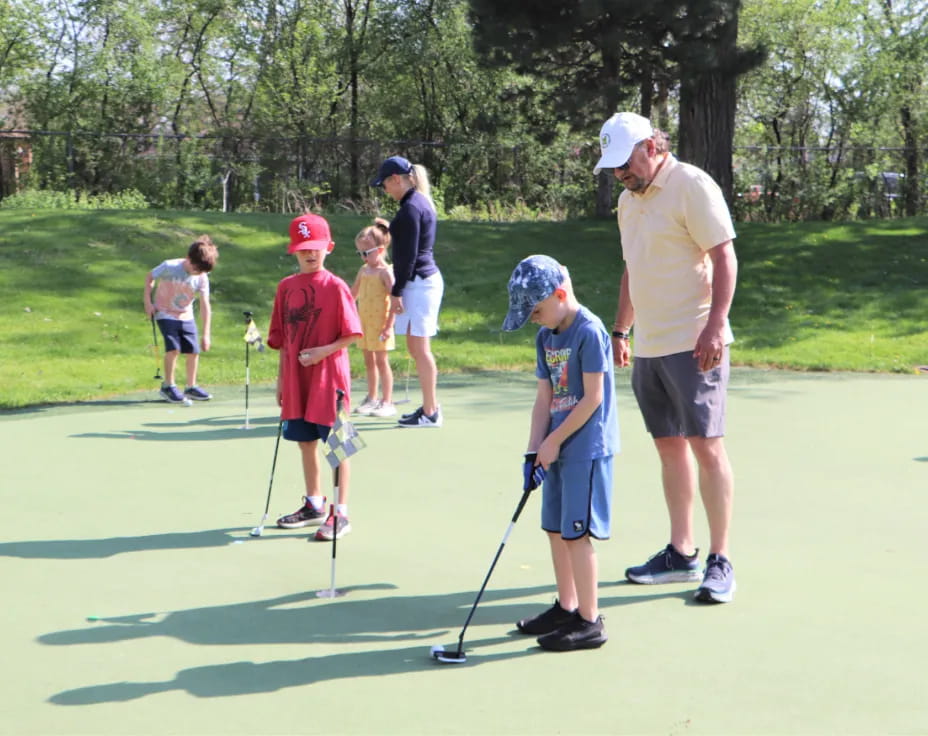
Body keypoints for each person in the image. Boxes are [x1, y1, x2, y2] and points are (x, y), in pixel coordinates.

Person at [594, 111, 738, 603]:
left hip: (694, 339)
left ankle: (720, 559)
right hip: (651, 346)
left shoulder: (691, 185)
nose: (620, 174)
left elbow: (724, 256)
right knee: (669, 446)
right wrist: (621, 328)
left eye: (625, 163)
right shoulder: (627, 202)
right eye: (613, 167)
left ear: (652, 146)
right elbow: (632, 268)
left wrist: (716, 326)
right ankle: (682, 552)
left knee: (706, 445)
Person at [502, 255, 619, 651]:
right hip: (554, 448)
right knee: (553, 528)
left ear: (559, 294)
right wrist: (534, 449)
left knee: (575, 533)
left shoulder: (589, 331)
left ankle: (589, 620)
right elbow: (543, 398)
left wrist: (553, 442)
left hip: (585, 448)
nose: (533, 318)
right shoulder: (545, 337)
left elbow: (592, 398)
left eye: (536, 309)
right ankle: (566, 606)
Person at [269, 213, 363, 541]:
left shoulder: (336, 287)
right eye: (303, 249)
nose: (310, 254)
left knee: (337, 446)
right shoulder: (285, 288)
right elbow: (281, 340)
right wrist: (283, 380)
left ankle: (341, 514)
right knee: (305, 442)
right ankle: (314, 504)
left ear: (329, 248)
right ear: (293, 251)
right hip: (297, 381)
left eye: (316, 248)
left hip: (329, 380)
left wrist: (322, 352)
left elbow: (353, 334)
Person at [369, 155, 444, 428]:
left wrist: (396, 292)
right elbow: (408, 241)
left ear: (396, 179)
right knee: (416, 347)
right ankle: (429, 407)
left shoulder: (411, 207)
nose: (385, 189)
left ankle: (431, 411)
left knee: (420, 348)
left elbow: (408, 257)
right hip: (419, 281)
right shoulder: (414, 203)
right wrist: (392, 228)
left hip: (420, 282)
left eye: (385, 184)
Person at [143, 236, 218, 403]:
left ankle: (191, 387)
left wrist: (206, 334)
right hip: (165, 312)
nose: (198, 273)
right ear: (189, 258)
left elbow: (205, 304)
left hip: (186, 315)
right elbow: (150, 278)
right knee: (174, 349)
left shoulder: (202, 277)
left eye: (201, 271)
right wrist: (148, 303)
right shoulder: (170, 266)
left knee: (193, 351)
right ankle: (168, 386)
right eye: (196, 269)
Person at [350, 218, 397, 418]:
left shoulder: (386, 273)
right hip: (365, 324)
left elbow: (395, 301)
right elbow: (353, 295)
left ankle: (387, 401)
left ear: (380, 249)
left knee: (381, 361)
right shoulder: (363, 270)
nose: (363, 257)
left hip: (380, 325)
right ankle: (372, 397)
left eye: (366, 252)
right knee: (368, 361)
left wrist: (388, 327)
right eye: (359, 253)